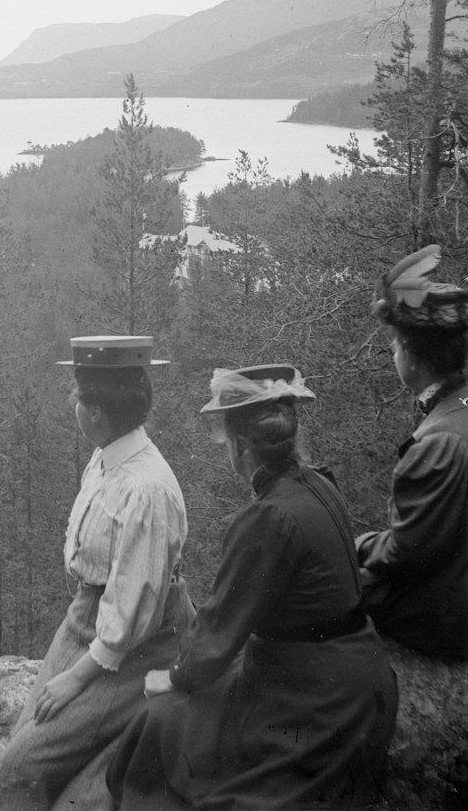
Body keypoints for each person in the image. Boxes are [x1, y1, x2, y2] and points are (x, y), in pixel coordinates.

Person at [107, 364, 397, 811]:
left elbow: (217, 637)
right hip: (355, 679)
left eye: (224, 438)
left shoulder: (266, 520)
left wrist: (172, 676)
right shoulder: (318, 484)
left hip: (315, 703)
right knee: (167, 727)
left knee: (162, 725)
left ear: (241, 445)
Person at [0, 335, 193, 811]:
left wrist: (76, 679)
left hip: (140, 641)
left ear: (96, 412)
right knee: (24, 741)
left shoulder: (145, 489)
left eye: (77, 398)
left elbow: (132, 611)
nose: (72, 406)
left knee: (23, 765)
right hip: (91, 617)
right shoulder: (107, 458)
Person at [357, 243, 468, 659]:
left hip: (452, 616)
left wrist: (362, 545)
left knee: (333, 583)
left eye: (395, 344)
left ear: (412, 358)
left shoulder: (437, 442)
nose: (392, 351)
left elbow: (406, 553)